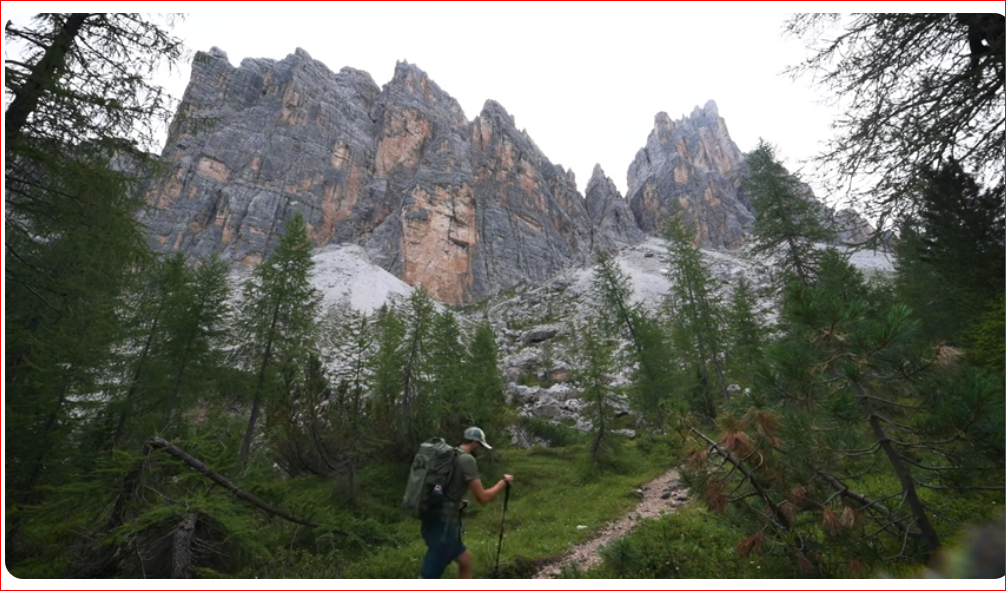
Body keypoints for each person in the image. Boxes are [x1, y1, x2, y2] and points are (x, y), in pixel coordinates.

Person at [419, 426, 514, 579]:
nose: (480, 449)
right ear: (475, 443)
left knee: (465, 560)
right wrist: (503, 483)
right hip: (444, 525)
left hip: (432, 518)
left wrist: (456, 500)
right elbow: (482, 497)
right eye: (480, 446)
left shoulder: (451, 455)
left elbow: (444, 487)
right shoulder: (467, 459)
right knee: (428, 576)